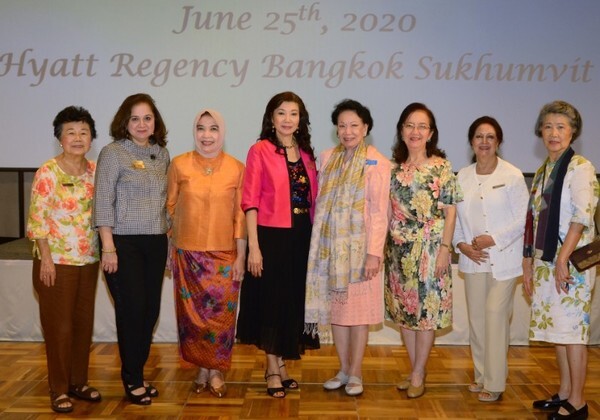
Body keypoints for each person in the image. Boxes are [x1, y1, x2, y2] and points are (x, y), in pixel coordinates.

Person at [236, 91, 320, 398]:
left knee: (290, 303)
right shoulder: (260, 150)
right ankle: (272, 368)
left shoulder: (308, 153)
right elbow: (250, 201)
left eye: (294, 113)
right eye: (281, 113)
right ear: (271, 118)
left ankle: (282, 365)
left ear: (301, 119)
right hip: (270, 237)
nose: (288, 119)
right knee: (270, 303)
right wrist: (254, 248)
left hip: (301, 237)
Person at [305, 99, 391, 396]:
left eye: (354, 125)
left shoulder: (378, 162)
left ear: (366, 127)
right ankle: (342, 369)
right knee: (338, 314)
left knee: (359, 315)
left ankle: (356, 373)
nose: (348, 131)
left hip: (361, 253)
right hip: (332, 252)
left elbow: (381, 212)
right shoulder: (328, 157)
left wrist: (374, 253)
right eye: (342, 125)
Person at [522, 101, 598, 420]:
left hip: (571, 266)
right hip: (547, 262)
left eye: (561, 127)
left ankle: (578, 403)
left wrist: (563, 259)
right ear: (541, 131)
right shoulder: (544, 170)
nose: (554, 133)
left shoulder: (580, 167)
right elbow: (534, 221)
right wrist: (528, 264)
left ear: (573, 132)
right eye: (548, 126)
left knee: (573, 335)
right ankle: (565, 392)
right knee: (559, 332)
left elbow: (581, 218)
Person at [94, 93, 170, 405]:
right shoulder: (113, 153)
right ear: (125, 122)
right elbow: (102, 202)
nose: (141, 124)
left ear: (155, 122)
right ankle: (132, 380)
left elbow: (166, 202)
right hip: (123, 243)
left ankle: (137, 373)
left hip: (156, 242)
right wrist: (108, 247)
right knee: (132, 309)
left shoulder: (161, 153)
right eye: (135, 118)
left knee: (149, 312)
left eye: (147, 118)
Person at [166, 109, 246, 398]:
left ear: (222, 133)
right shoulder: (179, 165)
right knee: (192, 319)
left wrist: (241, 255)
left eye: (213, 129)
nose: (207, 135)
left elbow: (240, 215)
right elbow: (169, 208)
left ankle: (217, 371)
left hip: (225, 255)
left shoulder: (237, 168)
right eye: (201, 128)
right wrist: (168, 247)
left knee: (219, 319)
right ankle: (202, 368)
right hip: (187, 254)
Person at [27, 106, 101, 413]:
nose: (77, 138)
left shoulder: (97, 171)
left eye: (84, 132)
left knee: (83, 324)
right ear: (60, 137)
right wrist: (45, 258)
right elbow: (37, 220)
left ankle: (77, 381)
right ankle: (58, 388)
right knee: (60, 327)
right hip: (55, 262)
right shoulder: (48, 171)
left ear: (91, 138)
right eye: (70, 132)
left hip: (89, 260)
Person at [384, 102, 461, 398]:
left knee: (426, 312)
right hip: (398, 253)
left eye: (422, 126)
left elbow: (451, 212)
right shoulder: (393, 169)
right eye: (409, 125)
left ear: (431, 134)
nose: (415, 131)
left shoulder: (441, 166)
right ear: (402, 131)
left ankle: (418, 373)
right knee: (405, 311)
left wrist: (445, 249)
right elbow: (387, 213)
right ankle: (416, 368)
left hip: (431, 249)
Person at [453, 116, 529, 402]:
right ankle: (482, 375)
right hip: (473, 260)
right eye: (479, 137)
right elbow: (456, 219)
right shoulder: (462, 176)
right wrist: (461, 244)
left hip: (504, 261)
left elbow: (523, 219)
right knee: (477, 320)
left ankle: (495, 383)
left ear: (498, 142)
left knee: (495, 316)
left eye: (490, 137)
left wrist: (492, 238)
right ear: (471, 142)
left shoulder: (512, 175)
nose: (484, 142)